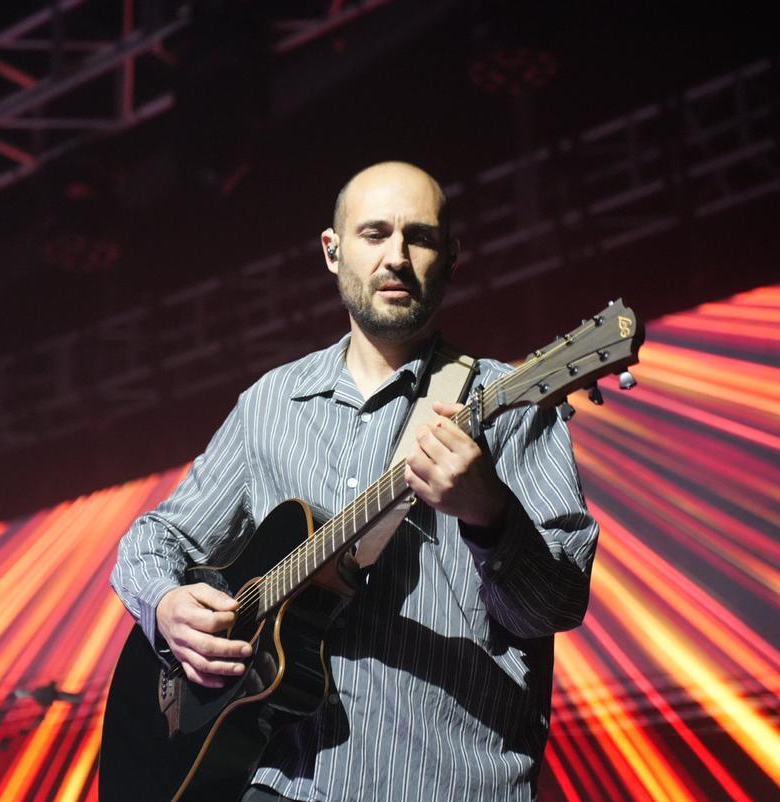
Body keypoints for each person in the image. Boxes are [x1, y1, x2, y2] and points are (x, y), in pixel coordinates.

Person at [110, 161, 598, 801]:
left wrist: (490, 514)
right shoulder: (272, 405)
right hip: (284, 783)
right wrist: (166, 606)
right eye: (375, 234)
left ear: (451, 257)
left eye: (419, 237)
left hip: (453, 784)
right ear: (333, 252)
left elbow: (556, 606)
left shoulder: (510, 407)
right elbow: (151, 540)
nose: (396, 256)